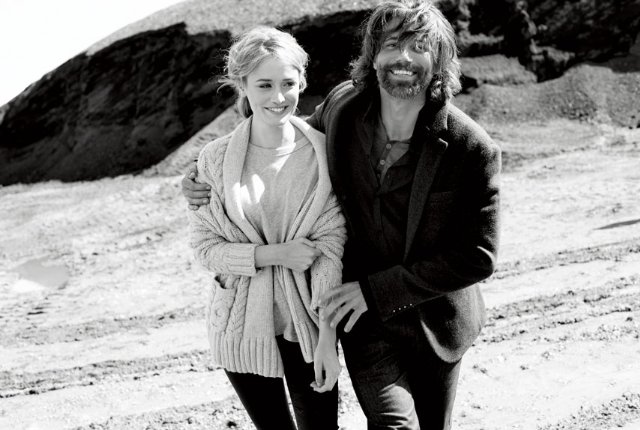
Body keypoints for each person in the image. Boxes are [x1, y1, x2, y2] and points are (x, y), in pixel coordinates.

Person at [184, 2, 501, 429]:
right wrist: (198, 175)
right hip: (362, 320)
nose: (404, 57)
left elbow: (479, 256)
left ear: (440, 59)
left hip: (435, 320)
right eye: (392, 45)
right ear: (373, 55)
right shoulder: (342, 110)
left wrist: (376, 291)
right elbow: (279, 138)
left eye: (419, 46)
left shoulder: (472, 148)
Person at [186, 26, 346, 430]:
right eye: (264, 85)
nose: (278, 97)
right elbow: (206, 249)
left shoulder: (323, 155)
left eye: (288, 83)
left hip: (307, 327)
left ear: (302, 81)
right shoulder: (214, 159)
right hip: (240, 324)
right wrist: (275, 255)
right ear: (242, 85)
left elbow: (330, 251)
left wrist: (328, 340)